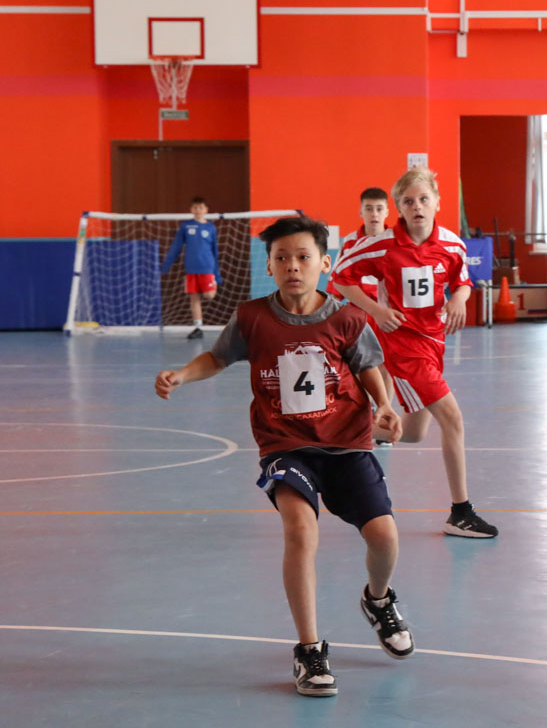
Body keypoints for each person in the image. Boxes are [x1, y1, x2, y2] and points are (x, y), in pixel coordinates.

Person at [154, 215, 412, 697]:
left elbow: (371, 365)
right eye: (282, 258)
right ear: (269, 266)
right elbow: (218, 356)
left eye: (303, 257)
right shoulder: (252, 318)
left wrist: (385, 406)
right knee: (299, 530)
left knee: (385, 537)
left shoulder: (347, 318)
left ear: (324, 264)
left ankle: (378, 600)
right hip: (285, 445)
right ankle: (310, 651)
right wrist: (183, 375)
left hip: (346, 444)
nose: (293, 266)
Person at [331, 168, 497, 539]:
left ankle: (338, 430)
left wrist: (458, 298)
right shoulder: (383, 246)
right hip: (404, 348)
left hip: (434, 342)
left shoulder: (453, 244)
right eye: (408, 201)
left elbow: (464, 282)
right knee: (452, 419)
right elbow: (341, 277)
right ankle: (461, 512)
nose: (417, 206)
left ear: (438, 202)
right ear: (399, 209)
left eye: (424, 199)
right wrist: (376, 310)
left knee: (414, 432)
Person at [328, 187, 397, 436]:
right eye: (369, 208)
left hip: (386, 315)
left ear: (387, 211)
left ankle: (384, 420)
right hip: (356, 315)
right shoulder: (349, 242)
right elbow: (336, 281)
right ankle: (359, 422)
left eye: (379, 208)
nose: (374, 214)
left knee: (384, 369)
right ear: (361, 211)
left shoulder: (395, 240)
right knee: (356, 370)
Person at [161, 196, 222, 339]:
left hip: (207, 267)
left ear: (206, 210)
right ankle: (198, 327)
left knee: (209, 295)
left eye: (201, 207)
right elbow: (176, 246)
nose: (198, 210)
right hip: (191, 269)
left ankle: (211, 286)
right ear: (191, 210)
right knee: (194, 298)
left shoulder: (211, 228)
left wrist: (216, 273)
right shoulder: (186, 226)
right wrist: (167, 264)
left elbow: (215, 250)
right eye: (195, 207)